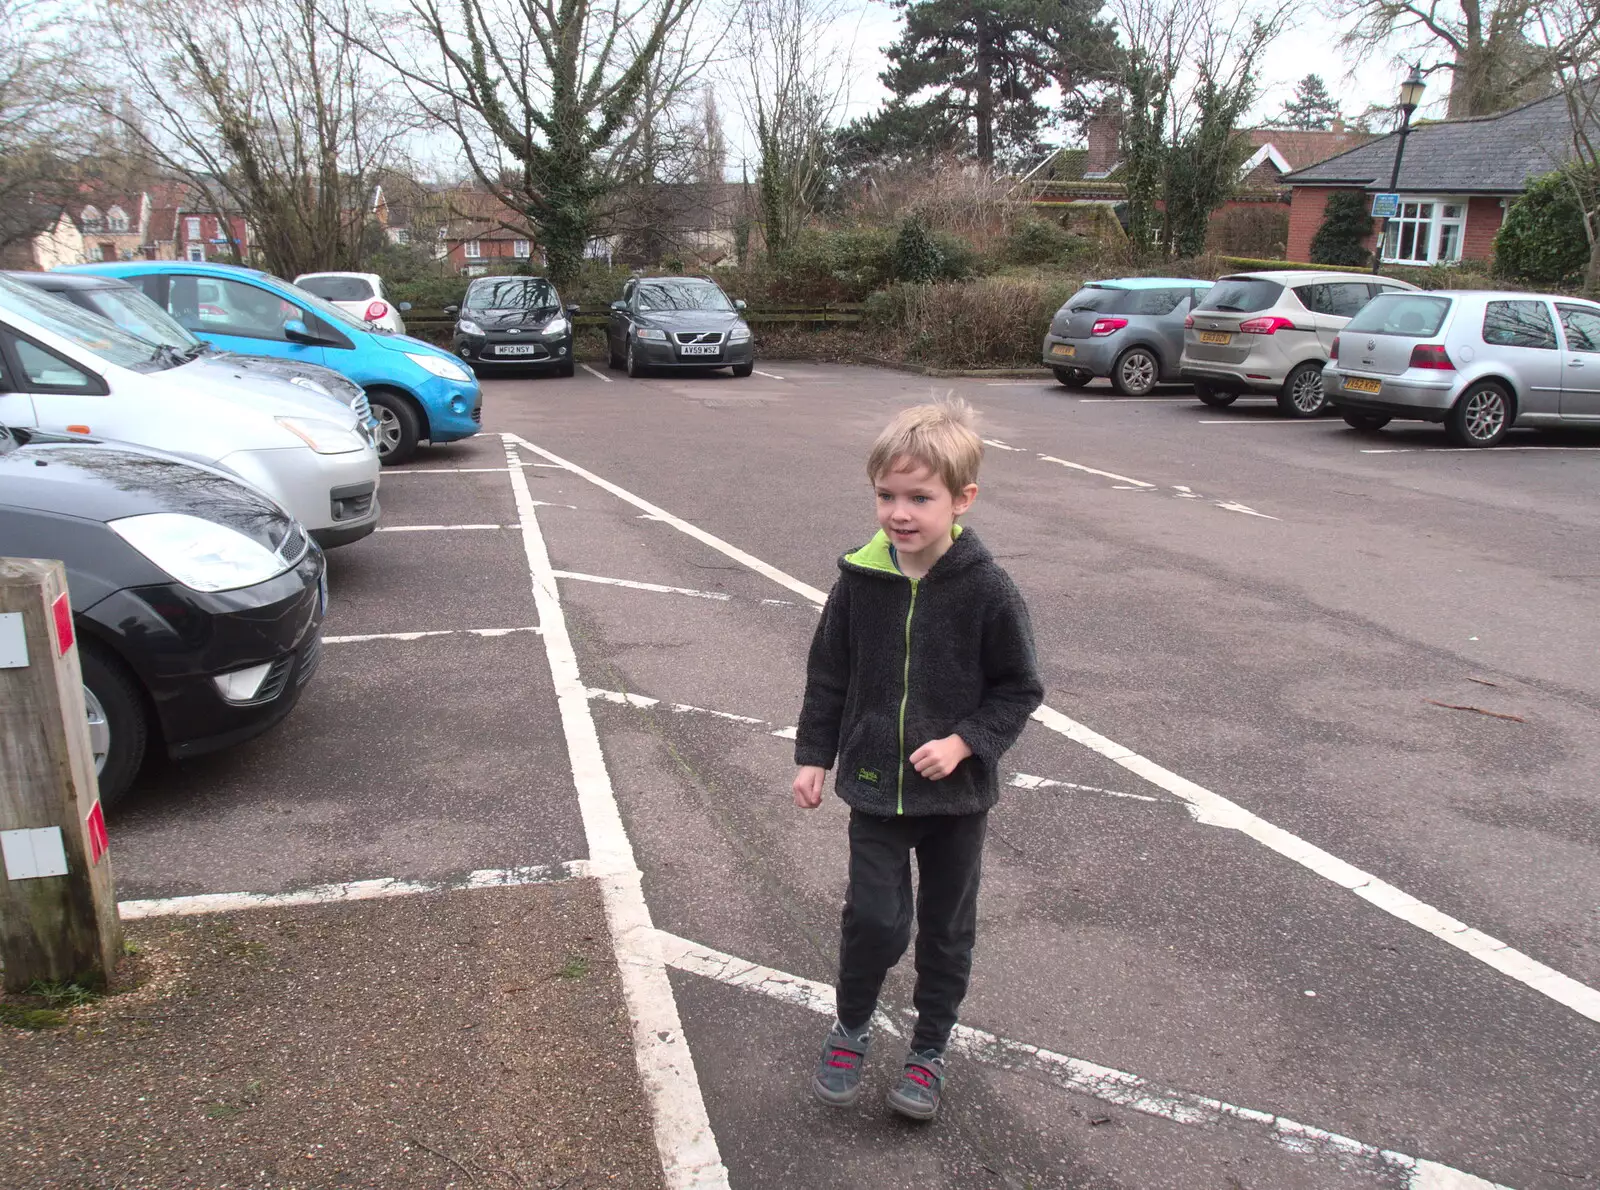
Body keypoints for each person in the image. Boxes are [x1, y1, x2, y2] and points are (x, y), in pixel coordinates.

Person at [792, 399, 1044, 1121]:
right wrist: (814, 755)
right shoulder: (859, 581)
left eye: (919, 498)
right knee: (874, 919)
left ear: (962, 499)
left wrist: (966, 741)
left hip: (957, 800)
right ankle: (851, 1026)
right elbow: (829, 675)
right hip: (874, 782)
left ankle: (929, 1049)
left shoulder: (987, 588)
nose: (899, 513)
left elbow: (1019, 687)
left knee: (945, 926)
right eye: (886, 496)